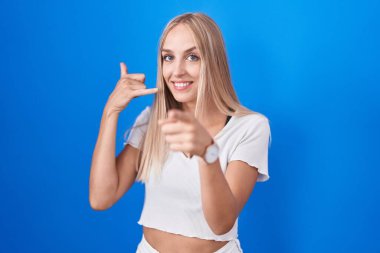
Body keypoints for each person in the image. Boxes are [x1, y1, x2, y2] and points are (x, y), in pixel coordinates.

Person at [89, 12, 271, 253]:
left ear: (214, 62)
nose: (177, 71)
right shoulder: (153, 120)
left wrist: (208, 152)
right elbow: (101, 198)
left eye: (192, 57)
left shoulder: (250, 127)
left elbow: (221, 223)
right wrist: (110, 111)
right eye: (168, 57)